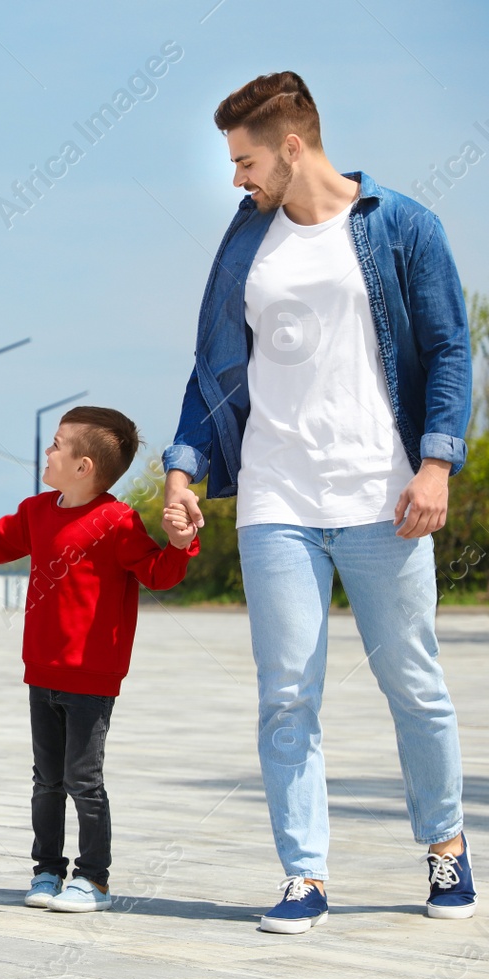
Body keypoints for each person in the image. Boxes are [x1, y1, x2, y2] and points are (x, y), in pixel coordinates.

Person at [163, 72, 475, 933]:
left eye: (246, 159)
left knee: (412, 681)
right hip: (277, 497)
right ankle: (305, 873)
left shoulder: (402, 226)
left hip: (386, 495)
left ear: (292, 146)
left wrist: (438, 463)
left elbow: (450, 348)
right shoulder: (245, 245)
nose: (237, 178)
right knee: (287, 693)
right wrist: (185, 471)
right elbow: (213, 370)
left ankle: (446, 843)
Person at [0, 407, 198, 911]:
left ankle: (94, 879)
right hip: (42, 671)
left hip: (93, 677)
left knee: (84, 780)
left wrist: (181, 544)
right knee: (47, 781)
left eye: (57, 444)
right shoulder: (37, 512)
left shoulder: (117, 520)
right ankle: (47, 872)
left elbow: (158, 574)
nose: (47, 451)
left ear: (83, 467)